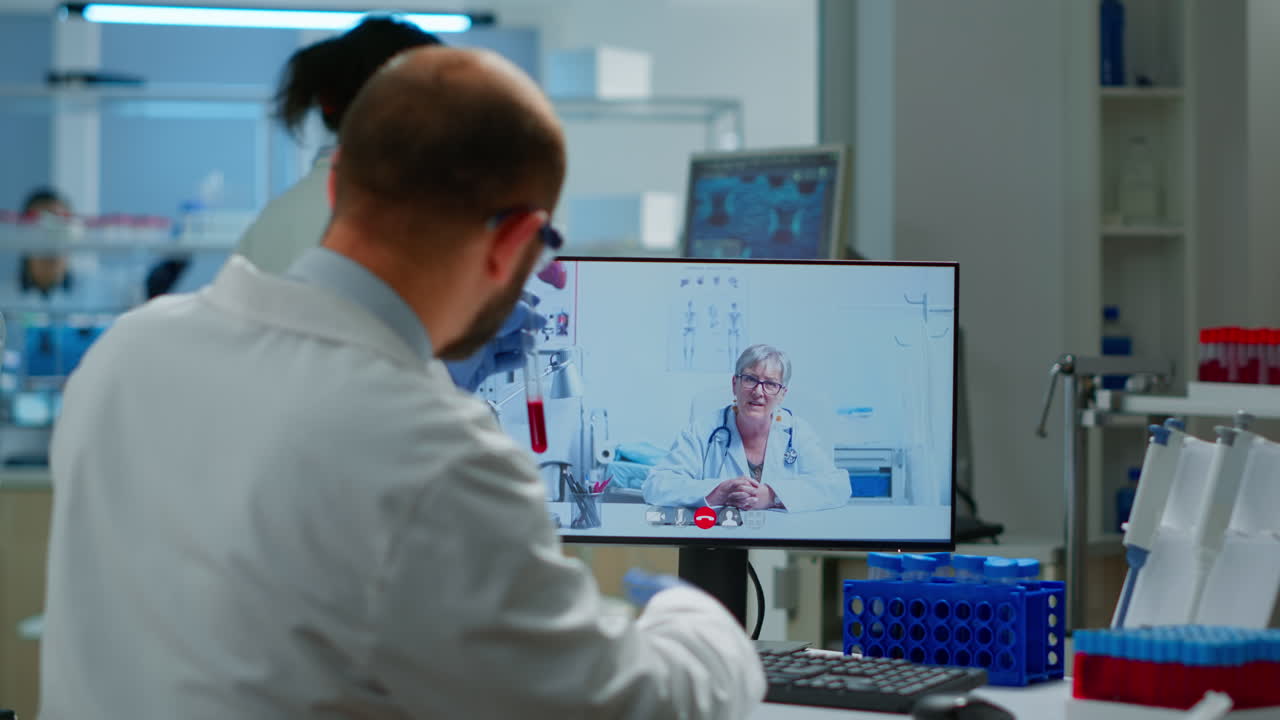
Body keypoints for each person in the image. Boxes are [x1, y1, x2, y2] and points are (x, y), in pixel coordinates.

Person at [40, 46, 764, 718]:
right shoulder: (432, 453)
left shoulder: (126, 354)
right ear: (516, 241)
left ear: (334, 184)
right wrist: (700, 623)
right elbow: (627, 705)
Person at [642, 344, 850, 512]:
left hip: (780, 539)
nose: (759, 392)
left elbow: (837, 487)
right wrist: (717, 491)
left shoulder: (796, 432)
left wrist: (771, 495)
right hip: (716, 538)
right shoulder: (703, 430)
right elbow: (656, 485)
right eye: (750, 379)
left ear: (782, 394)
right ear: (735, 384)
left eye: (770, 384)